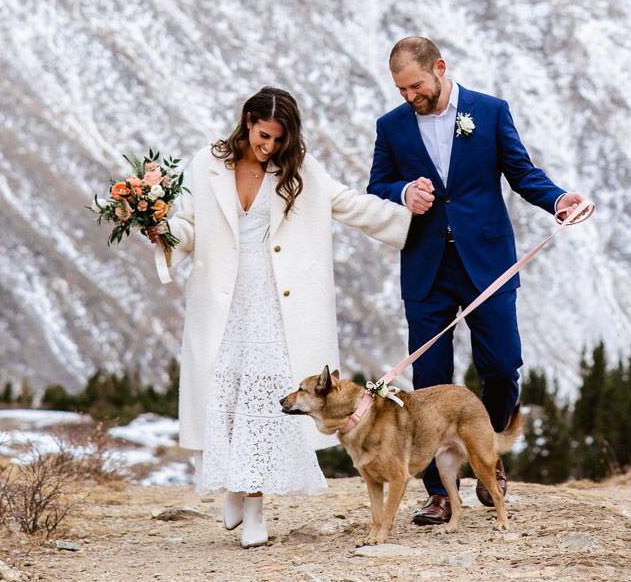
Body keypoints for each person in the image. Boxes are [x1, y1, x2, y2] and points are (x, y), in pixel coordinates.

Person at [152, 86, 410, 547]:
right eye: (263, 135)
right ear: (248, 120)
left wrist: (412, 219)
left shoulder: (300, 171)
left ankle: (254, 507)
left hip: (277, 303)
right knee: (225, 395)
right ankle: (233, 487)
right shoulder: (206, 163)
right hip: (223, 300)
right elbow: (186, 227)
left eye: (277, 141)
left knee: (264, 404)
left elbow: (349, 203)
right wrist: (159, 226)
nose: (268, 147)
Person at [367, 36, 586, 527]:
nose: (410, 97)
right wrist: (401, 191)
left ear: (440, 67)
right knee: (428, 383)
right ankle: (438, 493)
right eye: (401, 89)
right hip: (426, 267)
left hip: (487, 262)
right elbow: (375, 185)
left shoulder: (489, 111)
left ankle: (489, 461)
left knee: (502, 364)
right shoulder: (391, 127)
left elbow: (522, 173)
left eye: (417, 85)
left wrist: (558, 201)